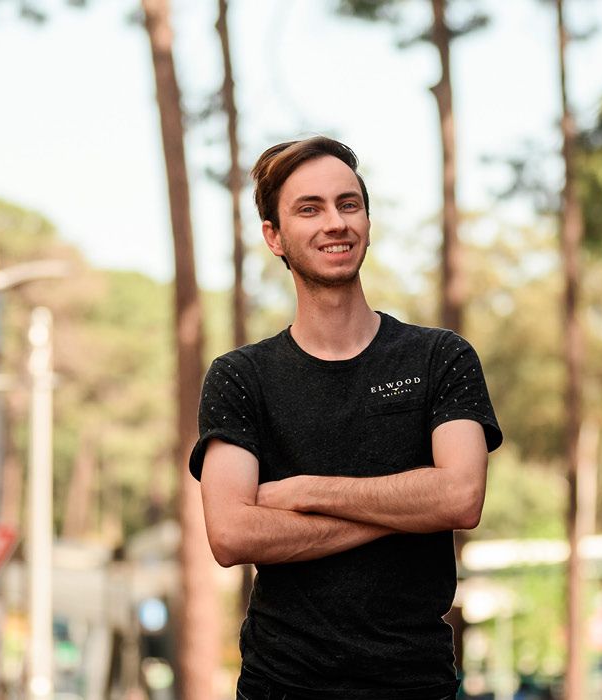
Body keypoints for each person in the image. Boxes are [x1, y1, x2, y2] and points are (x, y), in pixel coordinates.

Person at [191, 136, 503, 699]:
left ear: (367, 220)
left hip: (415, 686)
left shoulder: (440, 357)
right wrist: (408, 510)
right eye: (309, 209)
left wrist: (305, 491)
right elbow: (232, 534)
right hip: (281, 687)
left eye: (348, 204)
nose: (335, 222)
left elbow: (461, 498)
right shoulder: (240, 377)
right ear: (274, 236)